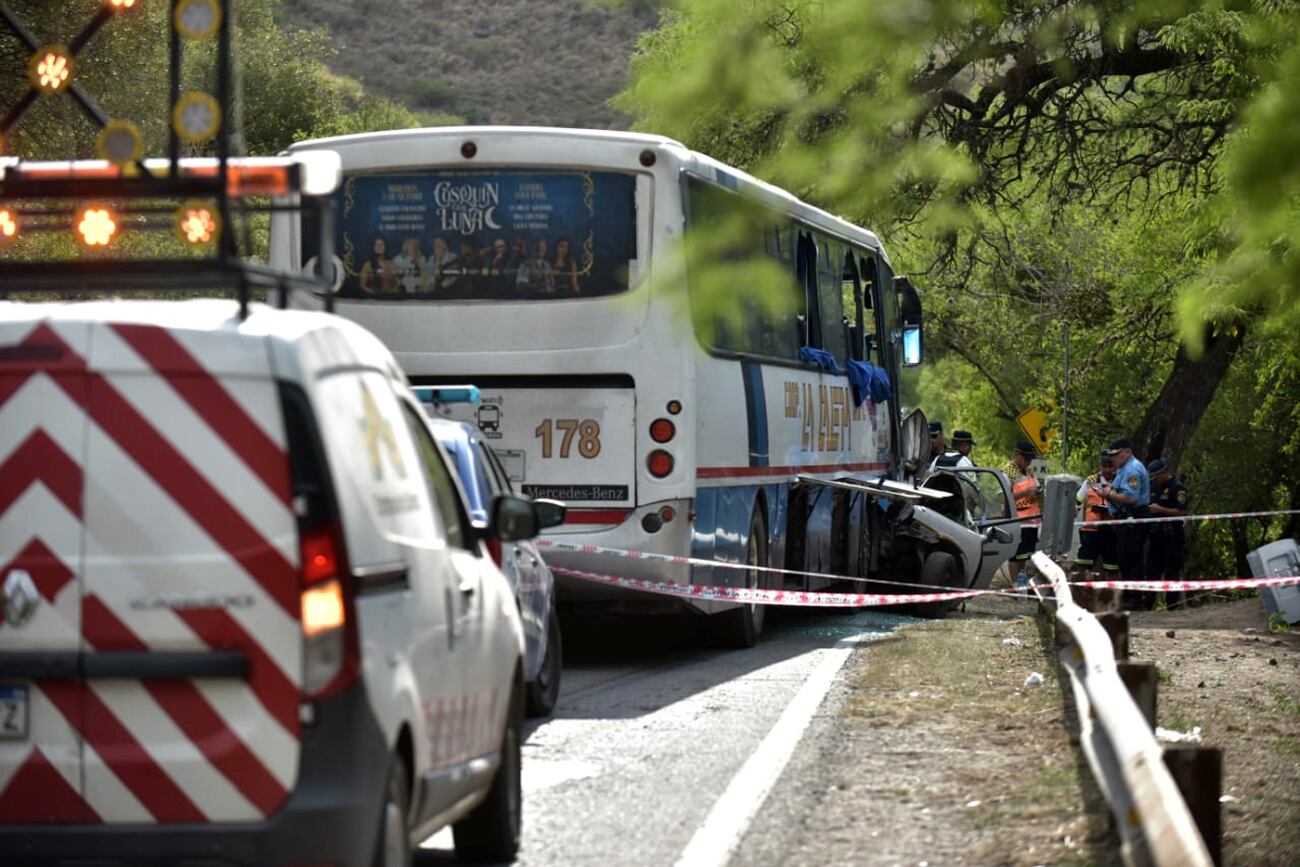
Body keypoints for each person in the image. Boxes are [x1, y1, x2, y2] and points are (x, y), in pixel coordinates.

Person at [1102, 436, 1151, 609]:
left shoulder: (1132, 469)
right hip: (1125, 519)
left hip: (1134, 518)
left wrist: (1109, 494)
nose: (1113, 459)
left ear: (1126, 453)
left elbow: (1130, 497)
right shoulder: (1123, 468)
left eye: (1116, 455)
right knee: (1124, 558)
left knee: (1132, 558)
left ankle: (1135, 598)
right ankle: (1130, 595)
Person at [1146, 458, 1190, 609]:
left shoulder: (1177, 488)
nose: (1154, 481)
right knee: (1152, 572)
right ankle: (1148, 607)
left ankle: (1172, 608)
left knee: (1172, 573)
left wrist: (1161, 510)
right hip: (1155, 536)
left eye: (1156, 477)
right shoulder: (1153, 487)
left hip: (1172, 536)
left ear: (1164, 473)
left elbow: (1182, 511)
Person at [1001, 440, 1042, 589]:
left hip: (1030, 520)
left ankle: (1022, 583)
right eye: (1027, 458)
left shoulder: (1029, 471)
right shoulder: (1007, 472)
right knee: (1015, 555)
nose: (1029, 462)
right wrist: (1024, 492)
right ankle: (1014, 585)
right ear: (1017, 455)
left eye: (1031, 459)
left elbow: (1034, 488)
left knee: (1024, 555)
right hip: (1017, 520)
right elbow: (1002, 497)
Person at [1074, 450, 1119, 579]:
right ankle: (1081, 593)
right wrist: (1074, 510)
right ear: (1100, 466)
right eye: (1104, 466)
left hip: (1111, 530)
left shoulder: (1120, 481)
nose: (1107, 470)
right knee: (1083, 565)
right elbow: (1077, 500)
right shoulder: (1091, 480)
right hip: (1090, 531)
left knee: (1112, 567)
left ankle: (1111, 595)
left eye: (1110, 466)